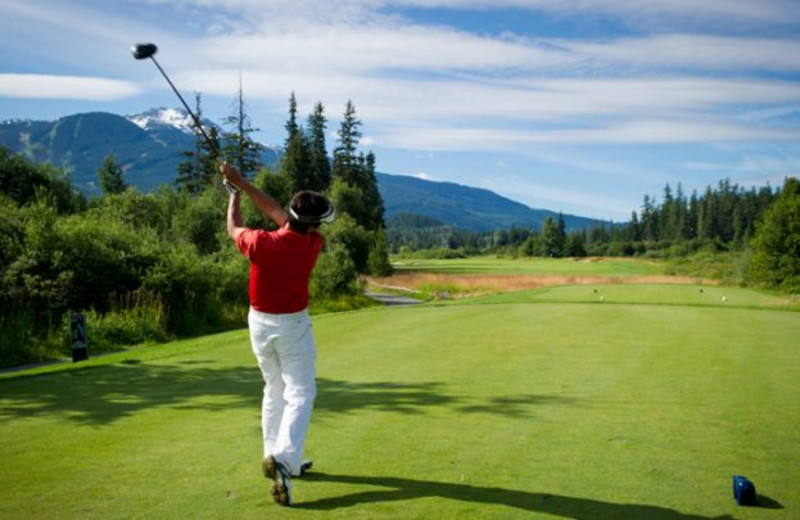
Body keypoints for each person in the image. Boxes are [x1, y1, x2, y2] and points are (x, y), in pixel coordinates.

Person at [220, 162, 334, 507]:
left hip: (259, 324)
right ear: (313, 224)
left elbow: (233, 228)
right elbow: (278, 214)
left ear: (290, 215)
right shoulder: (313, 243)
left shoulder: (260, 243)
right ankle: (284, 460)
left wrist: (235, 194)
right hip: (293, 326)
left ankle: (276, 456)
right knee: (301, 393)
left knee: (274, 388)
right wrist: (241, 184)